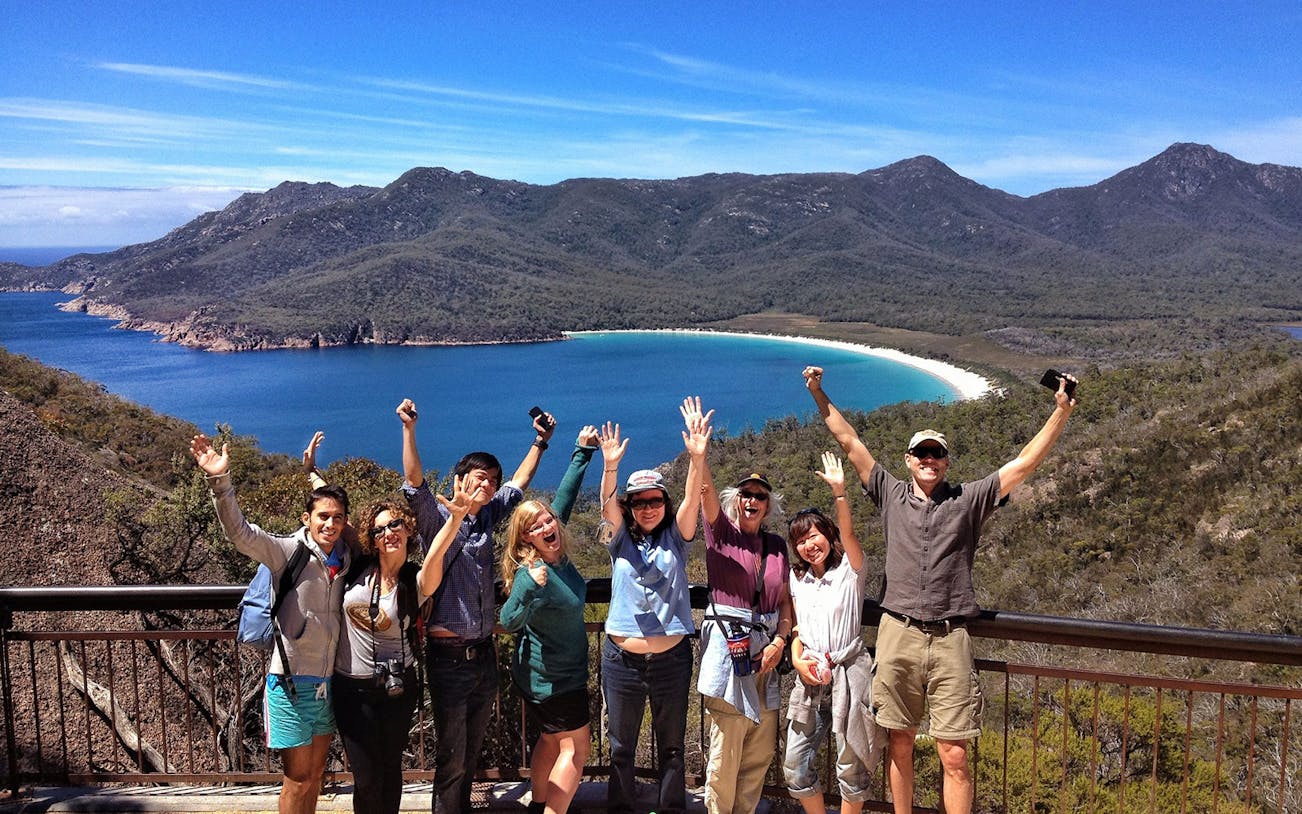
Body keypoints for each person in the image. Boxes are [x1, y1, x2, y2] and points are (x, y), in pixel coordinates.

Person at [803, 365, 1078, 814]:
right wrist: (818, 392)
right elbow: (849, 441)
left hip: (951, 638)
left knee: (955, 753)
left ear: (946, 462)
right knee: (900, 742)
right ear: (909, 460)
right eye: (921, 454)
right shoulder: (890, 494)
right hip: (898, 632)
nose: (929, 461)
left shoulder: (968, 500)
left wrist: (1061, 413)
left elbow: (1025, 463)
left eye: (937, 455)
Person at [396, 398, 555, 814]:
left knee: (471, 752)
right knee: (452, 753)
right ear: (460, 479)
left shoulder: (487, 517)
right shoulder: (437, 518)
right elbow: (413, 480)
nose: (488, 485)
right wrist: (410, 430)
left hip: (483, 655)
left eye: (491, 480)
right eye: (480, 478)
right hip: (448, 659)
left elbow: (519, 482)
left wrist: (541, 443)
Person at [191, 433, 351, 814]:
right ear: (306, 519)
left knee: (315, 777)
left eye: (338, 518)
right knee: (296, 778)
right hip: (290, 684)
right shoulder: (286, 551)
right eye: (322, 517)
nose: (330, 524)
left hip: (327, 685)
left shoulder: (344, 558)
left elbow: (336, 506)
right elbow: (240, 533)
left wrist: (313, 473)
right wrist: (220, 480)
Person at [597, 405, 710, 814]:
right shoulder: (619, 540)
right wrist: (610, 468)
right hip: (622, 661)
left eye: (655, 500)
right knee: (621, 749)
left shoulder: (677, 539)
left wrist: (698, 458)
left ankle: (671, 809)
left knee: (673, 748)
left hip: (671, 661)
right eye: (639, 501)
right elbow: (608, 508)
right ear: (630, 506)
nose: (648, 508)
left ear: (665, 501)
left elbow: (691, 507)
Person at [689, 394, 794, 814]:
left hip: (766, 653)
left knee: (758, 755)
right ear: (737, 501)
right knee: (725, 754)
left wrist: (781, 642)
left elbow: (786, 603)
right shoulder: (721, 534)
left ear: (767, 507)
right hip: (729, 651)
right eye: (746, 495)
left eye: (760, 497)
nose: (752, 501)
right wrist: (700, 455)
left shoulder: (777, 546)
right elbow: (706, 494)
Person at [496, 425, 601, 814]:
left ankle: (538, 805)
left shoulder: (558, 556)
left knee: (550, 740)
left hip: (545, 675)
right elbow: (508, 620)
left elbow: (565, 500)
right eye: (534, 527)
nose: (546, 526)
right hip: (554, 678)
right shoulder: (533, 573)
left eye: (547, 520)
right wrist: (526, 588)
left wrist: (581, 452)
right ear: (525, 541)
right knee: (575, 749)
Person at [782, 452, 885, 814]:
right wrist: (796, 657)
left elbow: (849, 533)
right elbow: (796, 625)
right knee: (794, 766)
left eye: (814, 536)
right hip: (809, 678)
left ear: (827, 535)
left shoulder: (850, 571)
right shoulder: (797, 580)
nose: (810, 545)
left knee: (852, 766)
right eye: (801, 541)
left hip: (850, 673)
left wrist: (840, 494)